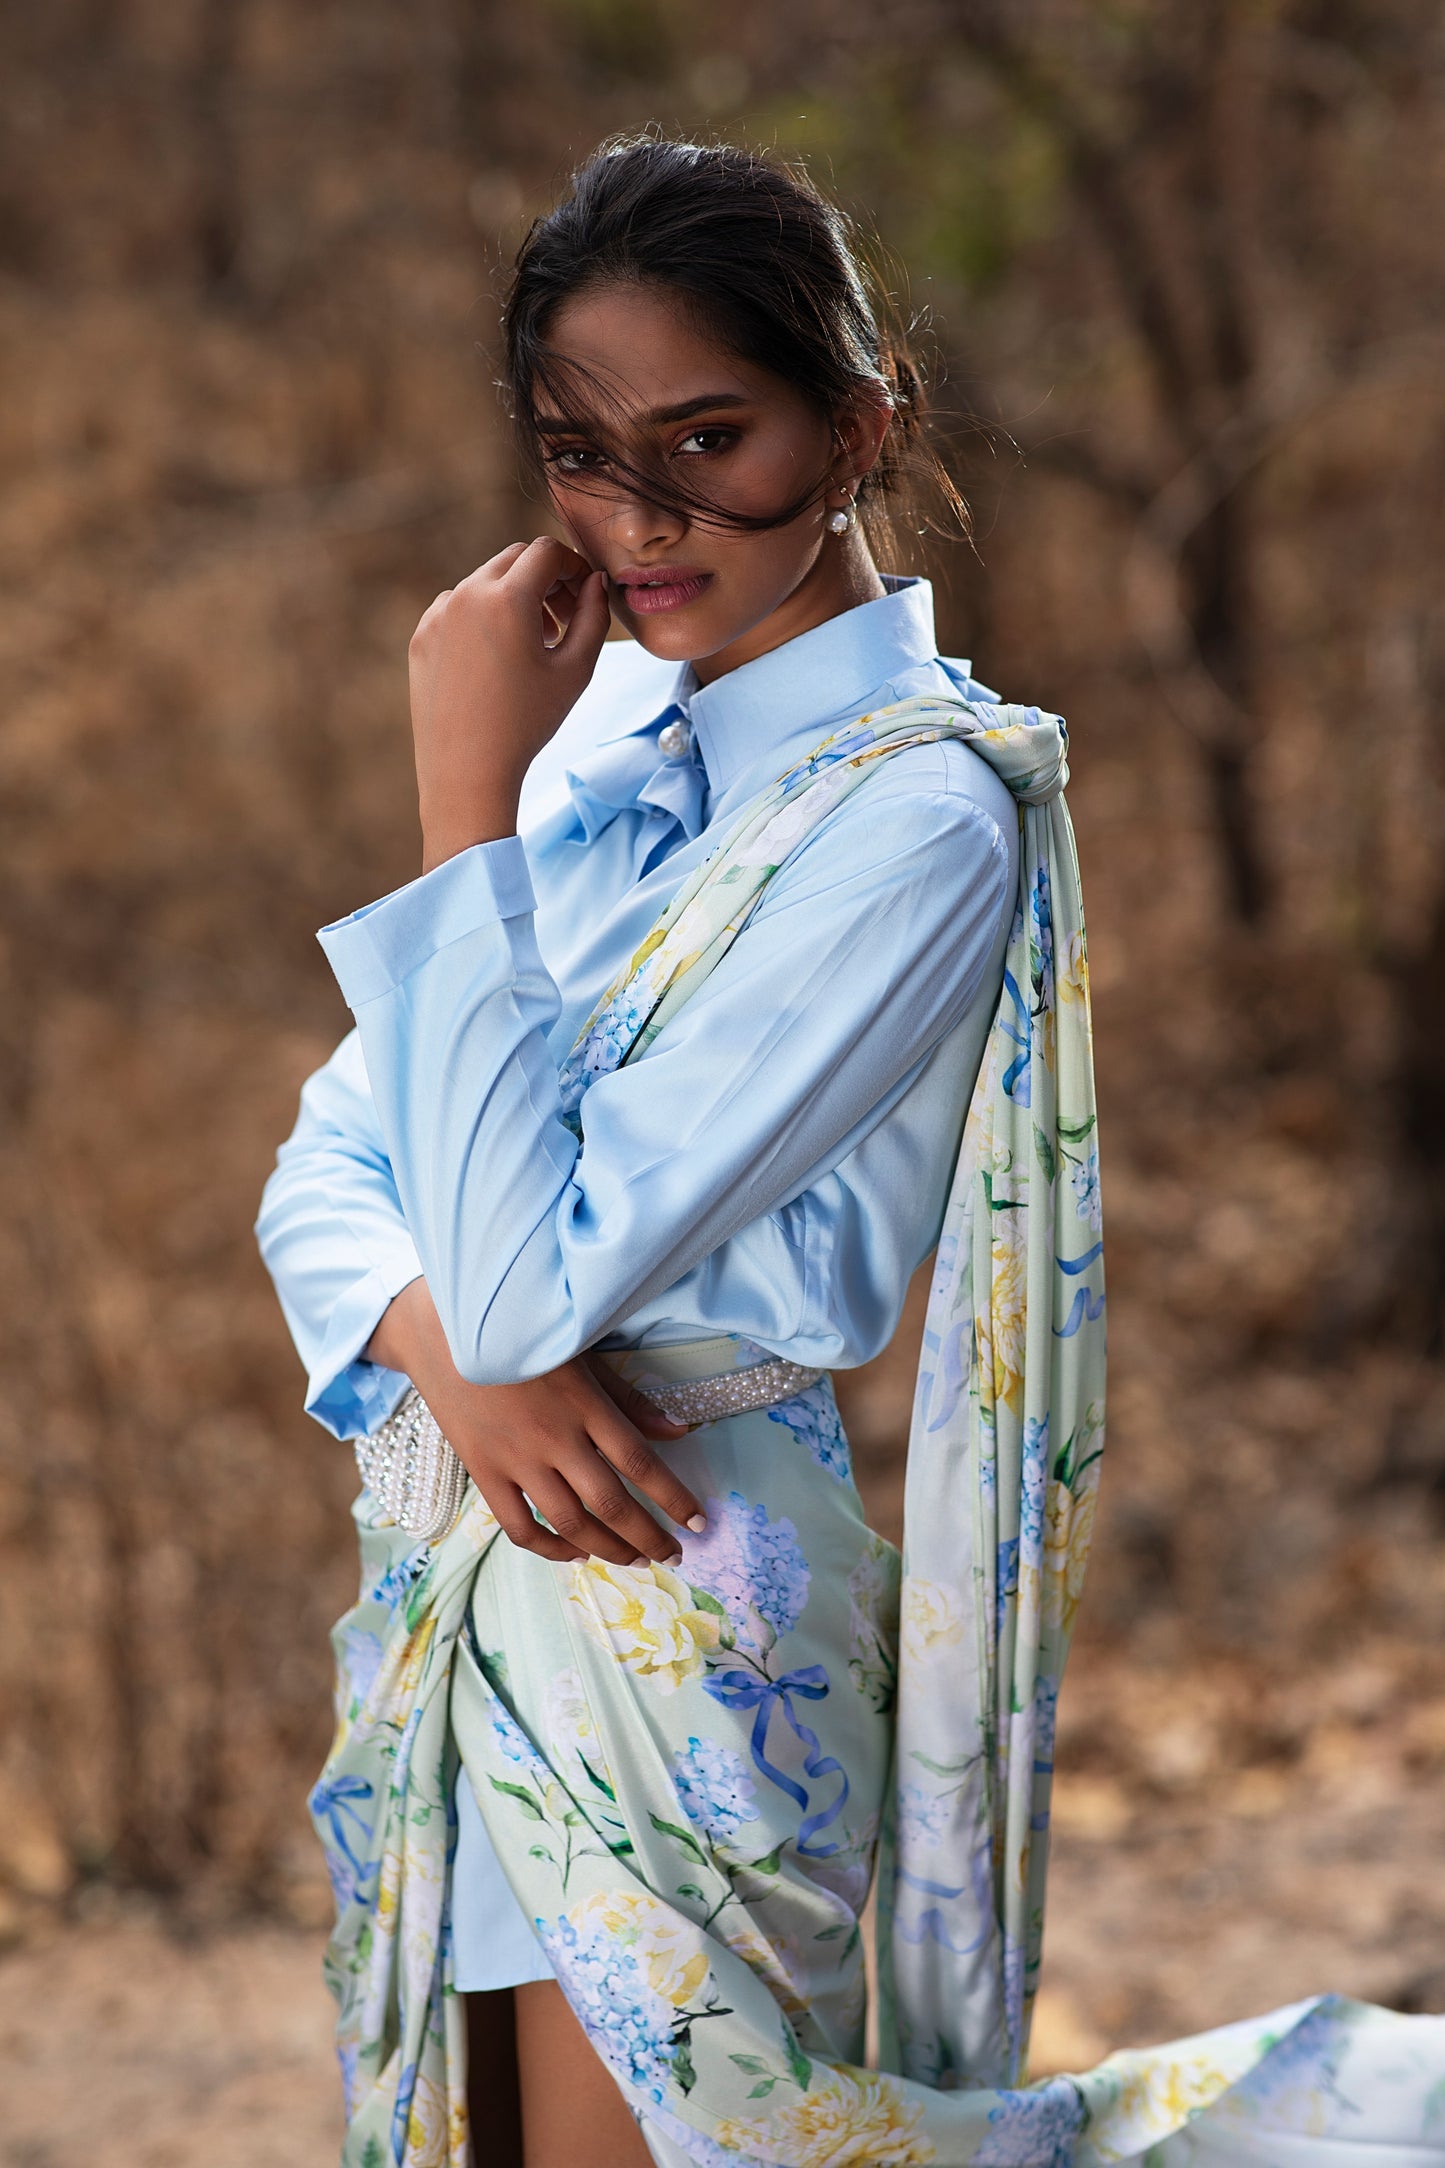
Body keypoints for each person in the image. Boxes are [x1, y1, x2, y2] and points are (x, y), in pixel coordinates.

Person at [257, 137, 1442, 2168]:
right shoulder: (608, 740)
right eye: (578, 454)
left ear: (860, 421)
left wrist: (462, 811)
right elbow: (323, 1163)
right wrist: (457, 1358)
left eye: (706, 438)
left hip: (683, 1582)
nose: (639, 522)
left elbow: (548, 1266)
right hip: (496, 1556)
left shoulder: (916, 820)